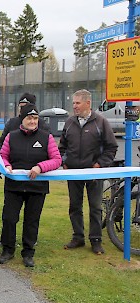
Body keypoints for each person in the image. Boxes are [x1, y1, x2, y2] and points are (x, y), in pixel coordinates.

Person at [0, 103, 61, 267]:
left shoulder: (46, 137)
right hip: (14, 186)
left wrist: (40, 167)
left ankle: (28, 252)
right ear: (22, 119)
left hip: (37, 187)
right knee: (9, 219)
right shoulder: (11, 136)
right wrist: (6, 165)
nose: (32, 121)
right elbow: (3, 156)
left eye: (35, 118)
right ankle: (7, 250)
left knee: (32, 221)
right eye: (29, 118)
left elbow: (56, 160)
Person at [59, 89, 118, 255]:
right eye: (73, 103)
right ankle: (78, 237)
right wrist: (64, 162)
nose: (75, 106)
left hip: (94, 173)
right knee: (75, 206)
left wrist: (99, 165)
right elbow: (62, 146)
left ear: (88, 103)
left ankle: (96, 240)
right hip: (73, 173)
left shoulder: (101, 122)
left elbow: (111, 147)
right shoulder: (70, 122)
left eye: (78, 103)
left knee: (95, 207)